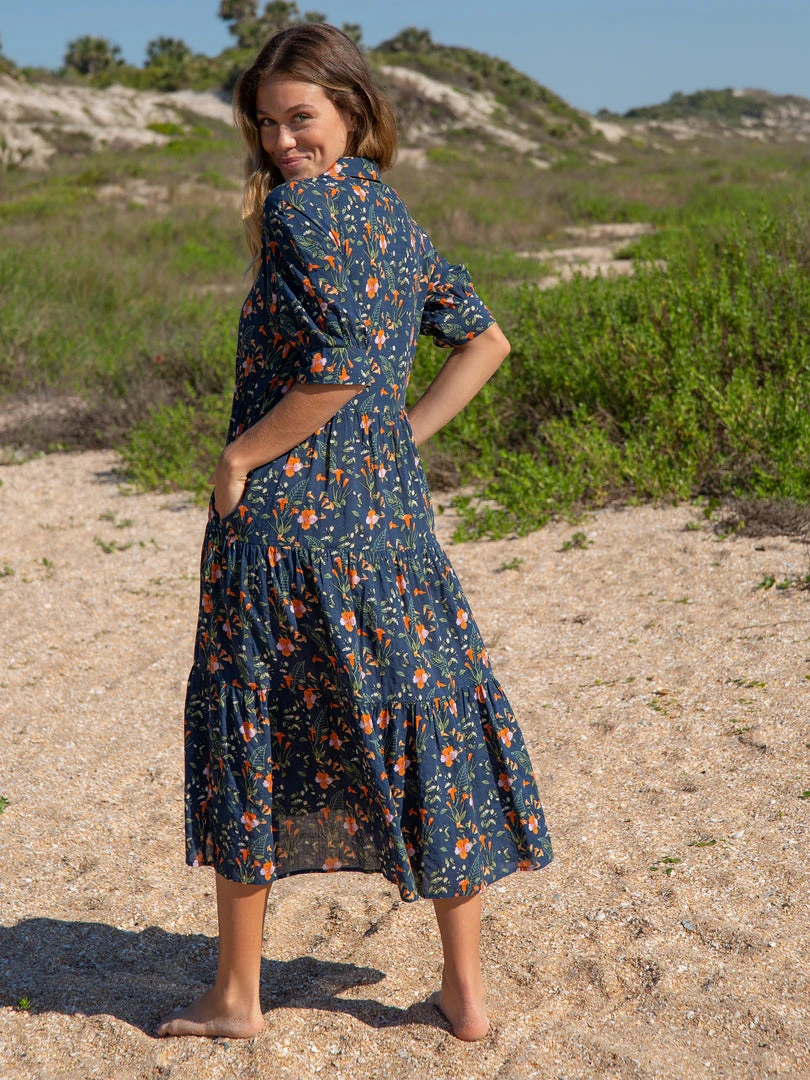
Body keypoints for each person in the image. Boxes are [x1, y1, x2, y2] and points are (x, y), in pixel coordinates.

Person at [157, 21, 553, 1044]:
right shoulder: (386, 211)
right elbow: (486, 341)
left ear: (352, 111)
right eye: (265, 124)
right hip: (392, 529)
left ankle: (237, 997)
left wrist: (240, 456)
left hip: (284, 529)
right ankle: (465, 995)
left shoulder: (299, 213)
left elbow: (337, 367)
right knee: (428, 726)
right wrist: (397, 440)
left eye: (301, 118)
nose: (281, 142)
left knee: (253, 732)